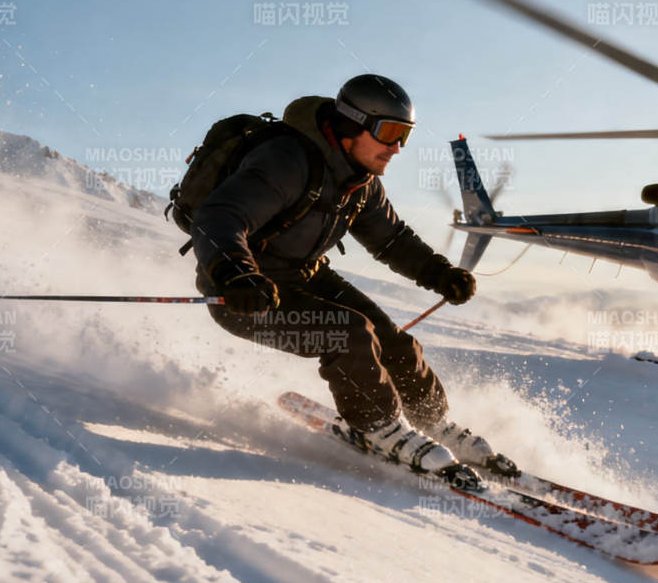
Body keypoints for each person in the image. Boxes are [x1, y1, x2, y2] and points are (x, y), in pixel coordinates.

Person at [192, 74, 513, 485]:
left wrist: (439, 273)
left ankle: (432, 421)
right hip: (244, 292)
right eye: (390, 133)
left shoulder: (359, 182)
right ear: (351, 124)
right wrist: (235, 272)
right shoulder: (287, 161)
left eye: (406, 136)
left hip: (303, 275)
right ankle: (380, 427)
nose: (397, 148)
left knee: (394, 340)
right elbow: (219, 216)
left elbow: (392, 239)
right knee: (350, 332)